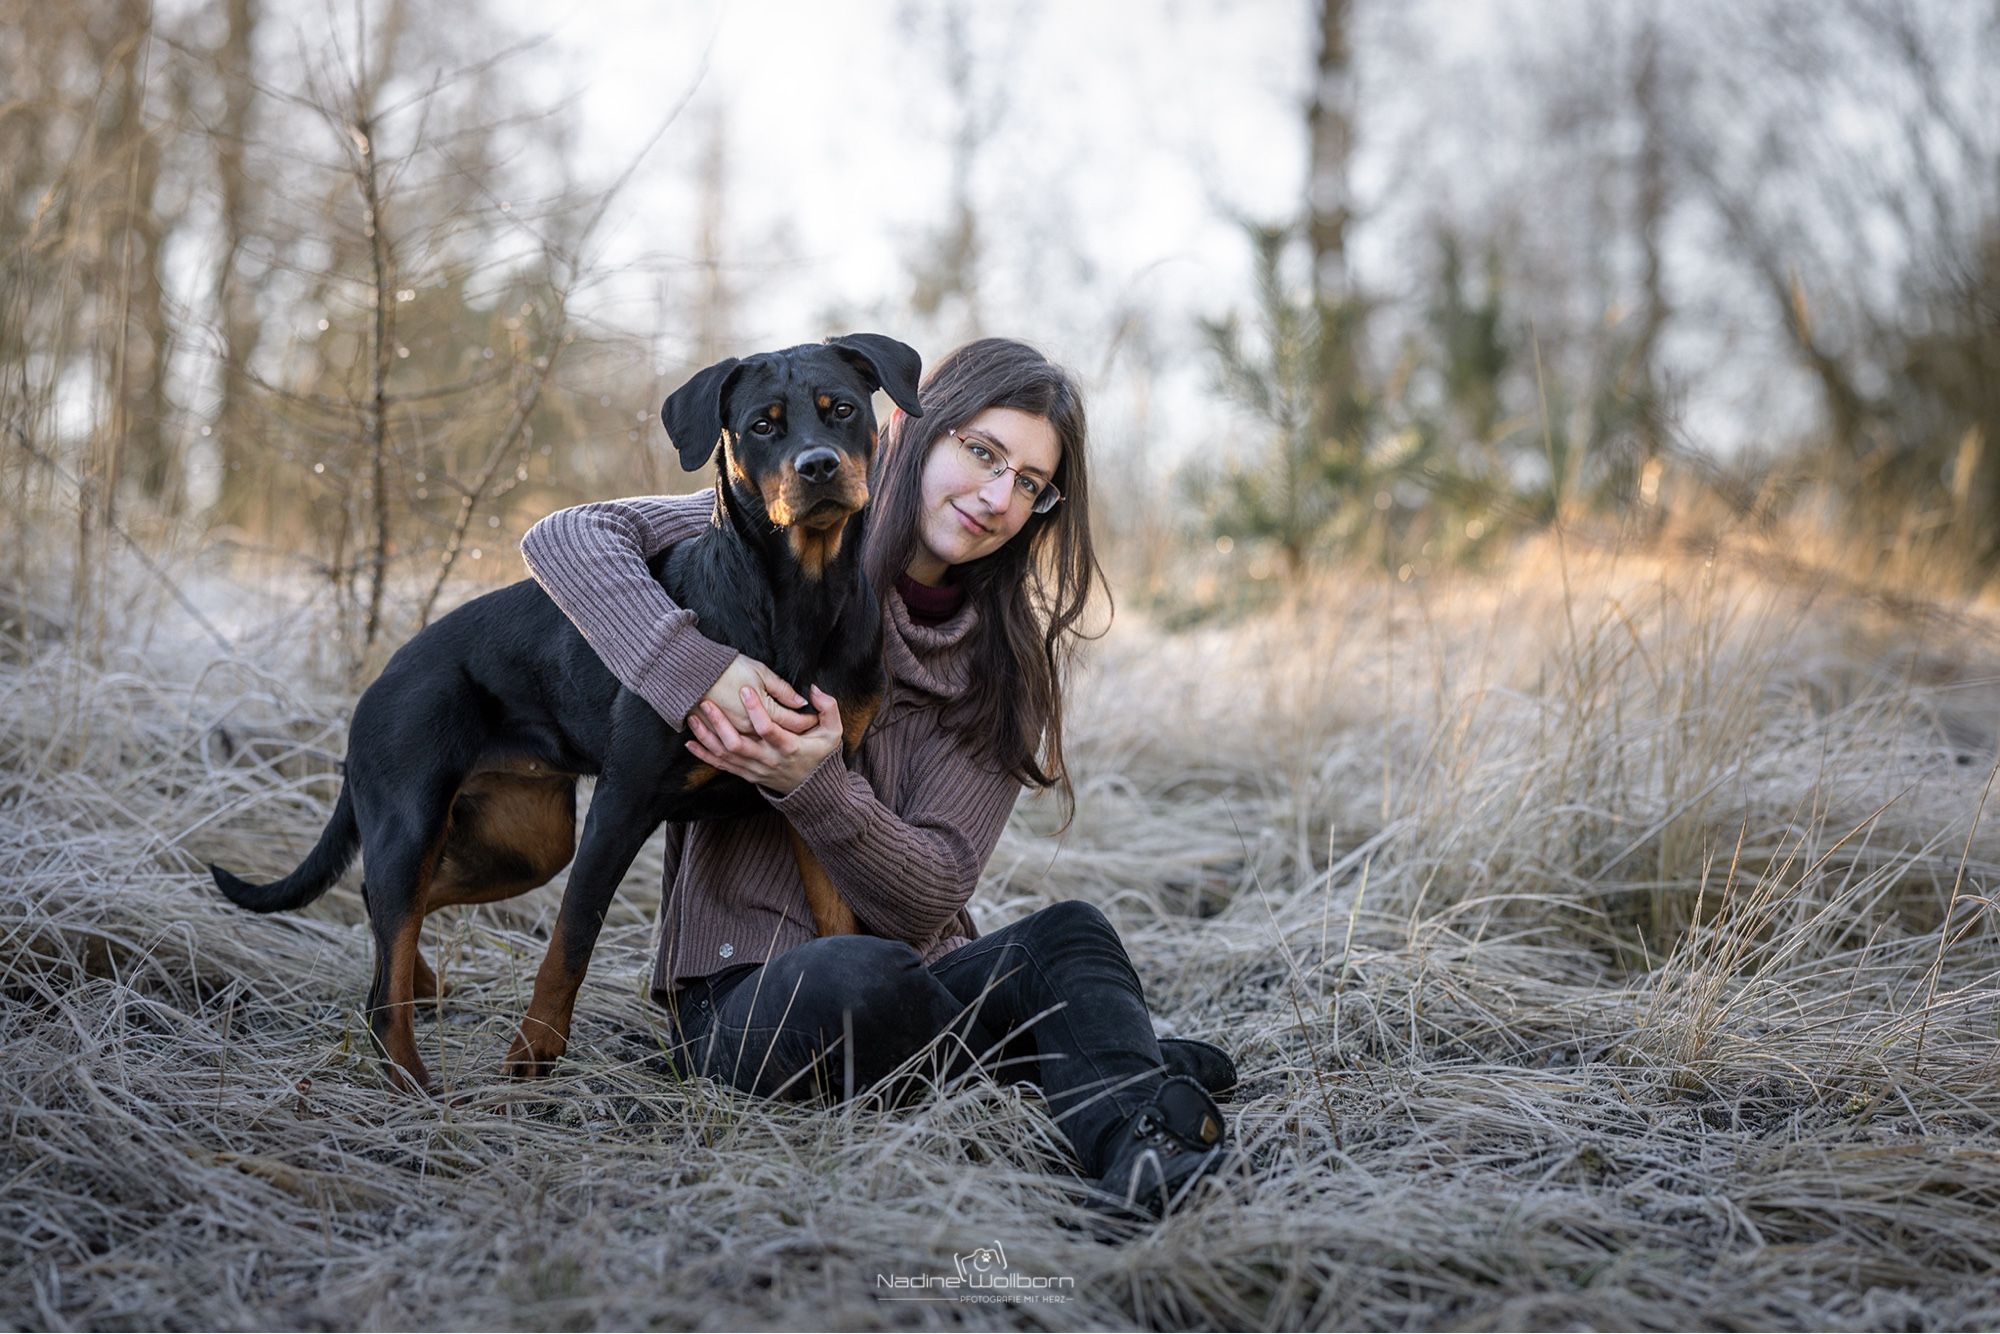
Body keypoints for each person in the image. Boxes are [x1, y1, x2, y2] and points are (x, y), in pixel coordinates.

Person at [520, 337, 1242, 1219]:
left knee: (1071, 936)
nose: (993, 497)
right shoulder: (774, 518)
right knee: (853, 980)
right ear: (909, 427)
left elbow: (931, 893)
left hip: (916, 970)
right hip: (748, 996)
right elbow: (566, 536)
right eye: (980, 453)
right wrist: (697, 670)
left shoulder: (1001, 672)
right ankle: (1085, 1052)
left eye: (1027, 483)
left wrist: (813, 781)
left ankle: (1138, 1144)